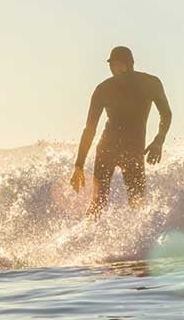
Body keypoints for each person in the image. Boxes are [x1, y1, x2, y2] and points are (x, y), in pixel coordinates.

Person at [70, 45, 172, 216]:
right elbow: (90, 129)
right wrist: (78, 165)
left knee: (137, 202)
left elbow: (166, 113)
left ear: (128, 64)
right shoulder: (104, 89)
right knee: (98, 201)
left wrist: (159, 140)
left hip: (134, 152)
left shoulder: (150, 83)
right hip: (107, 150)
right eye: (111, 65)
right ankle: (88, 239)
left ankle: (138, 241)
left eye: (116, 64)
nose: (112, 69)